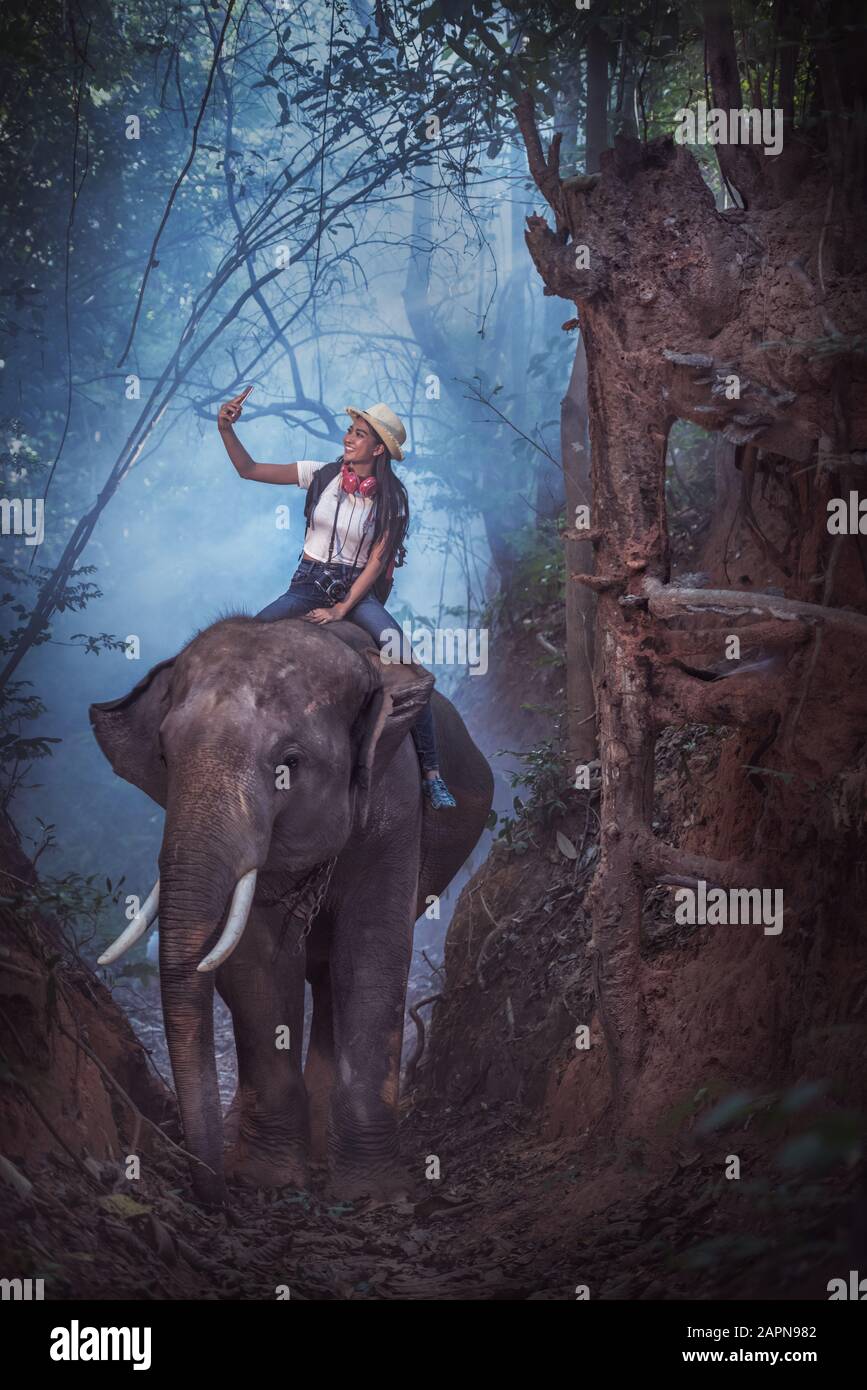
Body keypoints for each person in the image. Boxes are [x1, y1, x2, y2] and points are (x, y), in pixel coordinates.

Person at [217, 391, 457, 810]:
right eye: (350, 430)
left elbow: (378, 559)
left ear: (378, 448)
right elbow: (248, 469)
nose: (349, 438)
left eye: (360, 434)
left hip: (354, 591)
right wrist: (226, 427)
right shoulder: (322, 474)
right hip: (306, 584)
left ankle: (433, 774)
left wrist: (343, 609)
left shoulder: (393, 499)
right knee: (243, 646)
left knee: (405, 661)